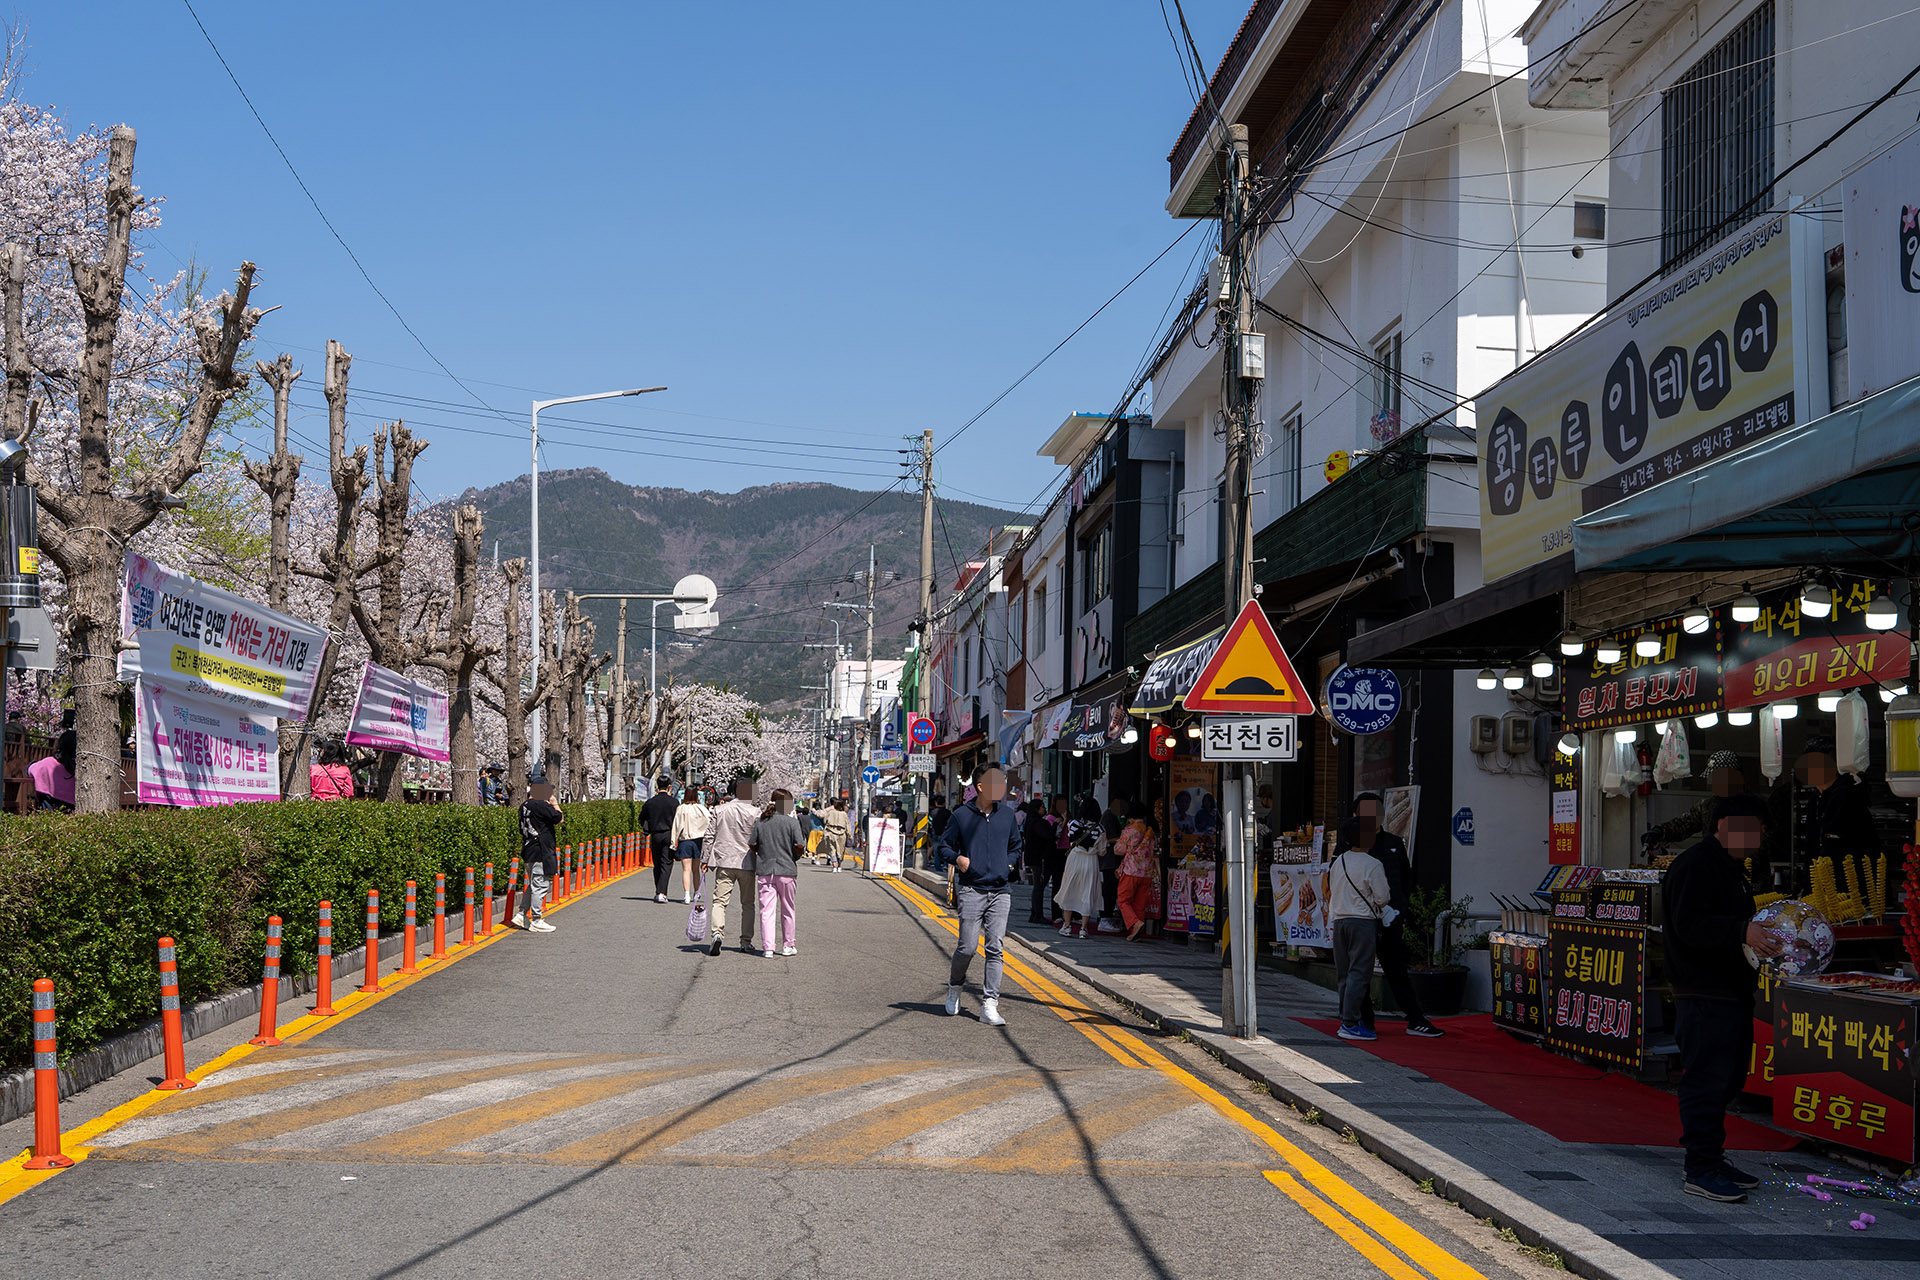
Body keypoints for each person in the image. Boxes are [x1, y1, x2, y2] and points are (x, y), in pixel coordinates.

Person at [1662, 794, 1780, 1202]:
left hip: (1731, 990)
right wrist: (1740, 931)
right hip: (1703, 991)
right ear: (1727, 824)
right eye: (1755, 830)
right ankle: (1700, 1166)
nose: (1758, 840)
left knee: (1729, 1078)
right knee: (1707, 1079)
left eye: (1761, 834)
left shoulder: (1732, 869)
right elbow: (1688, 924)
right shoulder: (1696, 864)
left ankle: (1713, 1156)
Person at [1347, 793, 1443, 1038]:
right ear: (1357, 815)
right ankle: (1364, 1021)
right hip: (1361, 920)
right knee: (1360, 972)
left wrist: (1401, 910)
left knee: (1397, 970)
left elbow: (1406, 879)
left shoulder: (1394, 842)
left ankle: (1416, 1019)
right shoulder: (1349, 845)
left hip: (1390, 920)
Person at [942, 762, 1024, 1026]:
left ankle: (990, 1004)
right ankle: (955, 986)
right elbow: (943, 846)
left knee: (995, 948)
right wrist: (958, 859)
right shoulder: (961, 816)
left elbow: (1016, 845)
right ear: (980, 787)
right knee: (967, 947)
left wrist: (1008, 865)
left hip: (1000, 891)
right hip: (971, 889)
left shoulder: (1007, 816)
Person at [1329, 815, 1391, 1042]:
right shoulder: (1373, 864)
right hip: (1362, 922)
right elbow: (1383, 898)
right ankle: (1351, 1023)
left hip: (1339, 921)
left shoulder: (1339, 861)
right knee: (1359, 973)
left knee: (1344, 974)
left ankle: (1346, 1018)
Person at [700, 774, 761, 956]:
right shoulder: (756, 812)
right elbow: (759, 840)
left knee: (719, 901)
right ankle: (745, 941)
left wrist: (705, 859)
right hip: (747, 862)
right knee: (748, 904)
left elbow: (709, 835)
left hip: (724, 861)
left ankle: (717, 933)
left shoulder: (720, 810)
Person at [751, 788, 805, 957]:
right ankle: (788, 945)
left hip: (766, 871)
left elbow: (752, 844)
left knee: (766, 911)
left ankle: (768, 948)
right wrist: (794, 856)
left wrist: (762, 853)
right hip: (787, 870)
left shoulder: (761, 822)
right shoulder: (792, 823)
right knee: (788, 909)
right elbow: (800, 846)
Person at [511, 776, 563, 933]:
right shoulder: (540, 804)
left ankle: (521, 914)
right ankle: (536, 919)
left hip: (528, 848)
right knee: (540, 884)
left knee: (534, 883)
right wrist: (554, 804)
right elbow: (559, 818)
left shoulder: (524, 805)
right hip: (541, 849)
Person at [1055, 798, 1106, 938]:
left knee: (1069, 889)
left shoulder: (1073, 824)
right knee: (1087, 892)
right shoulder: (1100, 829)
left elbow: (1070, 838)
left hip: (1075, 858)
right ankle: (1083, 929)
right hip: (1091, 861)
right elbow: (1102, 851)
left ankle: (1067, 926)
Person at [1114, 800, 1158, 941]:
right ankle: (1136, 932)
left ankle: (1135, 923)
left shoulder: (1129, 831)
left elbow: (1119, 850)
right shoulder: (1149, 831)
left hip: (1131, 871)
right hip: (1147, 872)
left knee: (1123, 900)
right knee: (1139, 904)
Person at [670, 785, 713, 904]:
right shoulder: (701, 808)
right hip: (699, 841)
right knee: (696, 870)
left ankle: (686, 895)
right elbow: (710, 821)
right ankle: (696, 893)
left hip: (685, 841)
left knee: (686, 869)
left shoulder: (681, 808)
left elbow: (676, 826)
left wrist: (673, 842)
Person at [642, 777, 680, 904]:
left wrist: (647, 828)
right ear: (669, 786)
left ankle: (658, 891)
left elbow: (642, 817)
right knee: (667, 863)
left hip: (655, 834)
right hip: (669, 834)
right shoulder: (674, 803)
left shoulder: (650, 802)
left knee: (657, 863)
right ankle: (661, 892)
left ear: (658, 786)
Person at [1023, 800, 1058, 924]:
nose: (1045, 809)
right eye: (1042, 807)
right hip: (1039, 858)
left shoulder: (1030, 822)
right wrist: (1055, 825)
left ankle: (1036, 914)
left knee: (1038, 886)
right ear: (1037, 809)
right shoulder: (1038, 823)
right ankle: (1037, 914)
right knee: (1039, 886)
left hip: (1035, 858)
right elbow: (1048, 836)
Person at [819, 796, 850, 872]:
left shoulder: (830, 812)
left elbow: (825, 821)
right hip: (841, 834)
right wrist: (849, 835)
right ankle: (839, 866)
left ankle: (834, 866)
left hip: (831, 832)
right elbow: (847, 825)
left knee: (832, 849)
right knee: (840, 850)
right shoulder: (844, 814)